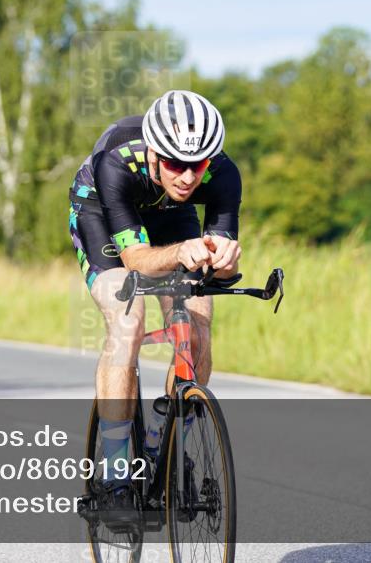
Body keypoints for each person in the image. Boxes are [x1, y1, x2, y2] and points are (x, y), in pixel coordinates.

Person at [68, 89, 242, 515]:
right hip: (104, 214)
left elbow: (217, 259)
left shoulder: (222, 174)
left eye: (197, 165)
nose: (187, 177)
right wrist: (181, 253)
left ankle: (161, 444)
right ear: (154, 152)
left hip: (170, 219)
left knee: (197, 329)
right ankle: (112, 473)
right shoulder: (116, 163)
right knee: (128, 319)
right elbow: (136, 261)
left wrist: (222, 260)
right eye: (175, 164)